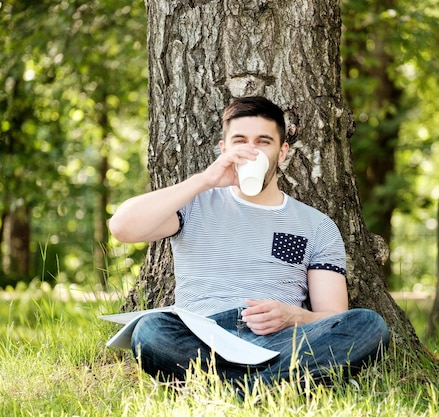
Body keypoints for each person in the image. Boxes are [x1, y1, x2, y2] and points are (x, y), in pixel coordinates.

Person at [108, 96, 390, 390]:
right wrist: (205, 180)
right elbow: (122, 228)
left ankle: (235, 390)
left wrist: (295, 316)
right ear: (224, 149)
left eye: (263, 142)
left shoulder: (317, 225)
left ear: (282, 153)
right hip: (202, 337)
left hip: (278, 340)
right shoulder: (193, 204)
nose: (251, 151)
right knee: (150, 332)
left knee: (369, 325)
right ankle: (278, 387)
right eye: (240, 141)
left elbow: (334, 316)